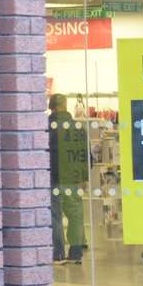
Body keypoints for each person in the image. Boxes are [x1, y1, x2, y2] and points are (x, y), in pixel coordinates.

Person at [48, 94, 88, 264]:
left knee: (55, 216)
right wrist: (84, 176)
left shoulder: (47, 126)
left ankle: (58, 253)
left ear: (51, 107)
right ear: (65, 106)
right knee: (76, 215)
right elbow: (85, 154)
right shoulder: (78, 127)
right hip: (73, 178)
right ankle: (76, 252)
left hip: (54, 176)